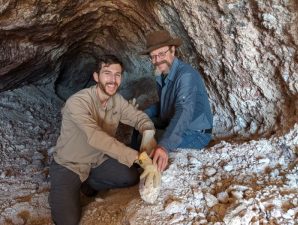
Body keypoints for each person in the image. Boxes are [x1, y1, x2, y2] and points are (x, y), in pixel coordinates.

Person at [49, 54, 159, 225]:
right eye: (107, 73)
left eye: (117, 75)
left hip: (97, 160)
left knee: (130, 177)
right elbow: (96, 138)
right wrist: (139, 158)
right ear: (96, 76)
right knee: (67, 221)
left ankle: (89, 184)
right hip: (69, 164)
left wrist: (148, 133)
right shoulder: (77, 102)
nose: (112, 80)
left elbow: (138, 117)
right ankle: (64, 190)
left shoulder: (116, 100)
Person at [139, 30, 213, 172]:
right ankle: (138, 160)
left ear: (173, 50)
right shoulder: (163, 76)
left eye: (161, 54)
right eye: (153, 56)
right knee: (141, 124)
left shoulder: (185, 75)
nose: (157, 60)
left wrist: (164, 146)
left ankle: (143, 167)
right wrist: (144, 114)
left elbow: (183, 111)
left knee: (153, 142)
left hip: (195, 133)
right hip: (176, 123)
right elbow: (164, 104)